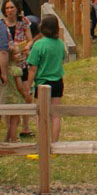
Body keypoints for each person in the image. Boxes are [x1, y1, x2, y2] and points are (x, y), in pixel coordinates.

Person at [26, 15, 65, 143]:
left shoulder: (39, 44)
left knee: (42, 115)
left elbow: (33, 68)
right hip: (58, 81)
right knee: (55, 114)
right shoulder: (60, 44)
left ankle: (43, 143)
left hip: (43, 83)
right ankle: (54, 143)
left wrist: (28, 85)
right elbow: (62, 58)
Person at [0, 0, 32, 142]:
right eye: (7, 8)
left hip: (21, 61)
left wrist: (26, 46)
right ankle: (11, 126)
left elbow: (30, 39)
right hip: (8, 62)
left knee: (25, 92)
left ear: (17, 9)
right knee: (9, 94)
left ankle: (26, 125)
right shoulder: (1, 24)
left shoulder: (23, 21)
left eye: (12, 8)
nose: (9, 10)